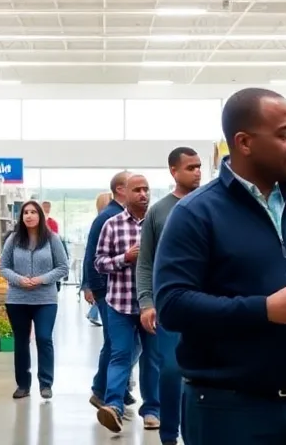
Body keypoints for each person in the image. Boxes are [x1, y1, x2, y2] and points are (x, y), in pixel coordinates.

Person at [154, 87, 286, 445]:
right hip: (226, 410)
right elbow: (172, 305)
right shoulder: (195, 214)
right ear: (244, 142)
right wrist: (265, 310)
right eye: (285, 134)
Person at [136, 146, 203, 445]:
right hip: (169, 304)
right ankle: (168, 434)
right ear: (174, 171)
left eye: (200, 166)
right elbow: (145, 261)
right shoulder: (159, 211)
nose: (198, 172)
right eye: (191, 167)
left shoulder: (211, 204)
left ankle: (195, 433)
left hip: (207, 304)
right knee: (172, 369)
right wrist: (146, 302)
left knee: (199, 371)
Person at [94, 173, 160, 433]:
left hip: (151, 306)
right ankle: (113, 406)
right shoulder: (112, 224)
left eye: (146, 189)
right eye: (137, 190)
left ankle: (152, 410)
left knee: (152, 358)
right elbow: (99, 262)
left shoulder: (158, 224)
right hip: (119, 304)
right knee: (119, 355)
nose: (143, 194)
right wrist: (124, 257)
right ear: (125, 194)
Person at [0, 199, 70, 399]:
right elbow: (2, 267)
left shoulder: (52, 239)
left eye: (33, 212)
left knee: (44, 338)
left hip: (45, 299)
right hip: (17, 299)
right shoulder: (13, 239)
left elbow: (63, 267)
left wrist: (42, 279)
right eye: (25, 213)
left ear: (40, 215)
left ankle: (46, 384)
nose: (29, 215)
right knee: (21, 342)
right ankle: (23, 384)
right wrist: (19, 280)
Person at [83, 172, 137, 410]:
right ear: (120, 189)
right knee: (116, 344)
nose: (141, 193)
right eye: (133, 187)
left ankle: (116, 388)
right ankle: (102, 390)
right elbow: (92, 256)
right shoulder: (108, 217)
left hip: (125, 291)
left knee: (122, 344)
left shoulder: (128, 216)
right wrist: (93, 287)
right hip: (109, 291)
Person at [85, 191, 112, 326]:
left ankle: (92, 313)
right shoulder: (104, 220)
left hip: (102, 282)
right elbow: (91, 255)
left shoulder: (100, 220)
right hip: (103, 282)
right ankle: (92, 313)